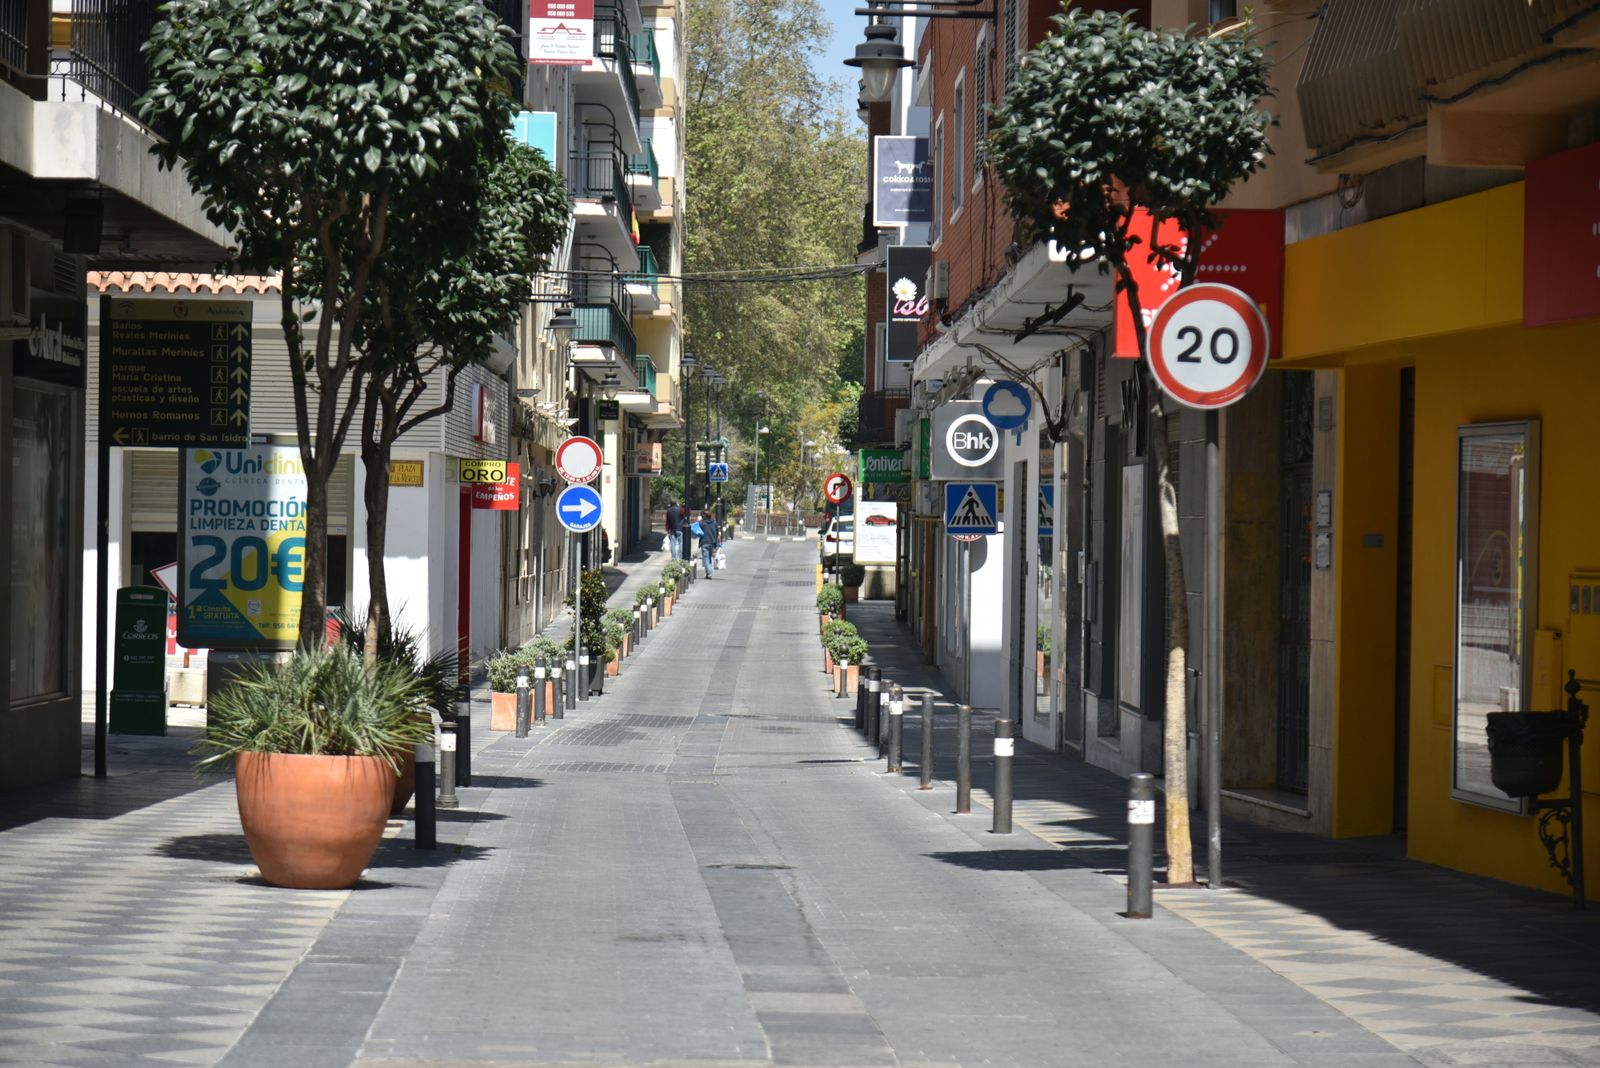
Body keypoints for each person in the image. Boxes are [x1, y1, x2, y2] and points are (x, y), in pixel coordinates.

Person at [698, 510, 719, 577]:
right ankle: (708, 573)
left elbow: (695, 528)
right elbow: (717, 533)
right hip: (712, 542)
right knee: (710, 557)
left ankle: (709, 573)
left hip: (704, 542)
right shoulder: (715, 523)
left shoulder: (702, 523)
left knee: (706, 558)